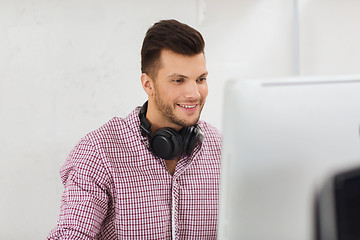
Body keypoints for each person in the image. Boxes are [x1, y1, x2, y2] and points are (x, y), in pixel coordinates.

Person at [47, 19, 222, 240]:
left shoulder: (222, 149)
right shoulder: (98, 153)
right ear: (148, 84)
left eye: (200, 79)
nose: (194, 93)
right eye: (178, 80)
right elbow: (71, 235)